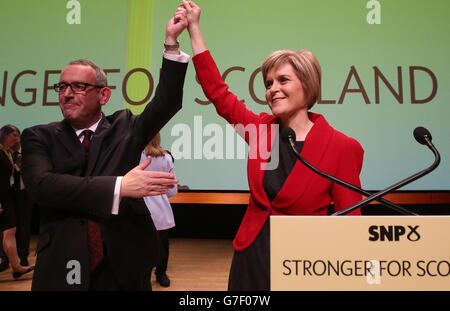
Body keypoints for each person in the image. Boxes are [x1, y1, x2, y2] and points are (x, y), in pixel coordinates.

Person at [182, 1, 364, 290]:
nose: (272, 89)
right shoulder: (260, 131)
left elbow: (351, 222)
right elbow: (217, 92)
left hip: (303, 264)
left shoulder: (342, 147)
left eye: (283, 80)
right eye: (268, 83)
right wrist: (194, 28)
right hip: (251, 256)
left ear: (308, 85)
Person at [21, 6, 189, 291]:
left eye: (78, 86)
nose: (67, 93)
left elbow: (167, 101)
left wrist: (171, 43)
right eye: (61, 87)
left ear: (103, 95)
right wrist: (120, 186)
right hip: (63, 261)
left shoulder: (125, 127)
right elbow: (42, 186)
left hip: (125, 261)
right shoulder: (39, 136)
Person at [141, 132, 177, 287]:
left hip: (140, 207)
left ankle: (143, 275)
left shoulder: (136, 156)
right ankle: (161, 274)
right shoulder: (166, 158)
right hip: (161, 208)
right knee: (163, 245)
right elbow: (172, 190)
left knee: (142, 244)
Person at [0, 124, 34, 279]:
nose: (17, 139)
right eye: (14, 135)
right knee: (9, 231)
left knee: (11, 231)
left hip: (12, 196)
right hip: (4, 197)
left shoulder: (8, 152)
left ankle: (18, 265)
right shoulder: (2, 153)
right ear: (5, 135)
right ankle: (14, 265)